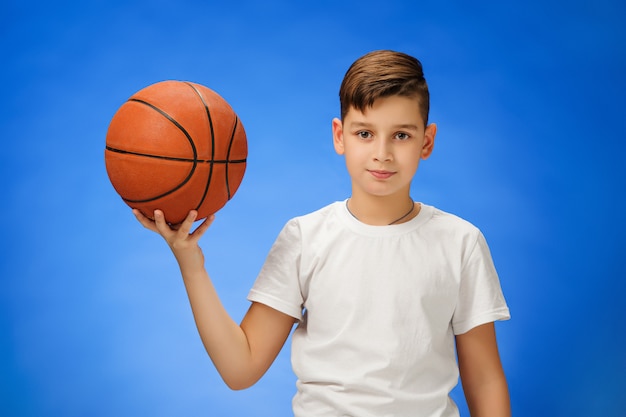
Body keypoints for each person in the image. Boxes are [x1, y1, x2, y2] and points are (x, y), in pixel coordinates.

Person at [134, 50, 511, 416]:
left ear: (426, 141)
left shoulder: (460, 242)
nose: (382, 153)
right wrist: (190, 262)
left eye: (401, 136)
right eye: (365, 133)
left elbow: (484, 379)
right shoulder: (305, 237)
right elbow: (240, 369)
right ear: (339, 135)